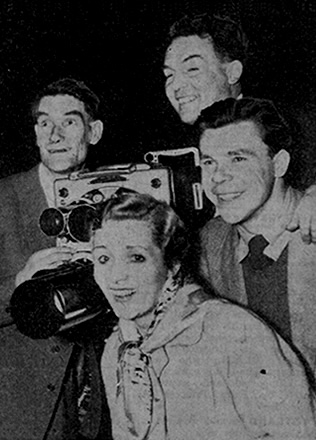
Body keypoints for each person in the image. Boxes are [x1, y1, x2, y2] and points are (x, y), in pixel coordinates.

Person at [91, 189, 316, 440]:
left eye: (136, 258)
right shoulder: (117, 351)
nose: (116, 276)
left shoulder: (234, 333)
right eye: (103, 259)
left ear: (171, 265)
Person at [0, 78, 113, 439]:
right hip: (20, 411)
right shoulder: (5, 198)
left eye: (69, 122)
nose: (54, 135)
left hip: (94, 405)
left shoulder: (119, 197)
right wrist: (19, 283)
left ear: (93, 132)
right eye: (44, 123)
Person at [162, 12, 316, 242]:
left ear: (232, 72)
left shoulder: (294, 125)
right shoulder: (171, 152)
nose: (176, 85)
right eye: (168, 75)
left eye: (192, 69)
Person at [198, 97, 316, 377]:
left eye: (237, 158)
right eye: (209, 162)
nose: (217, 177)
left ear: (280, 164)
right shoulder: (209, 243)